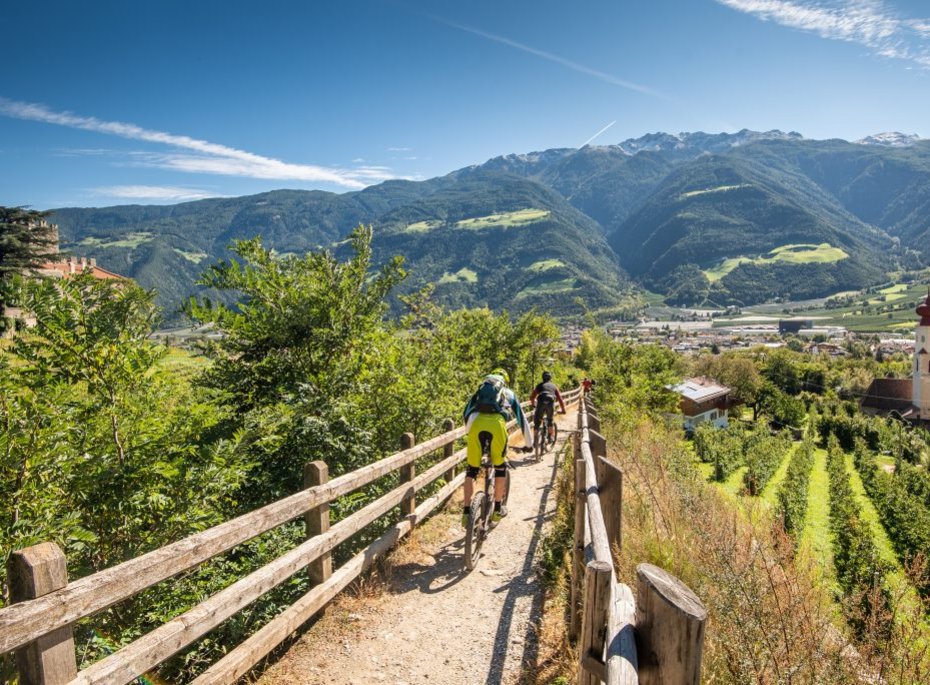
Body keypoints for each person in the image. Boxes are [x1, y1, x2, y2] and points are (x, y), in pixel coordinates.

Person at [461, 368, 533, 526]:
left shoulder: (479, 391)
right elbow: (522, 419)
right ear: (504, 381)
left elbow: (466, 413)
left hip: (476, 425)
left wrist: (469, 432)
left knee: (471, 470)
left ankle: (466, 512)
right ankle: (498, 509)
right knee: (500, 468)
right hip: (497, 426)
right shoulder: (509, 394)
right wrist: (529, 444)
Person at [530, 371, 567, 442]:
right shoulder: (554, 386)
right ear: (550, 378)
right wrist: (563, 410)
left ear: (542, 378)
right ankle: (550, 437)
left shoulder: (539, 385)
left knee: (537, 422)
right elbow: (560, 399)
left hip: (540, 402)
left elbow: (532, 397)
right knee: (550, 420)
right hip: (550, 402)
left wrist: (533, 404)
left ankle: (535, 440)